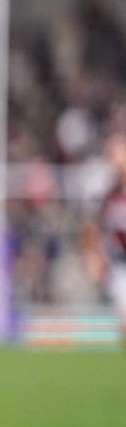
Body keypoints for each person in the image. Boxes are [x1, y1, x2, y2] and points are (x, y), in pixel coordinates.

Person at [81, 132, 126, 344]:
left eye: (117, 155)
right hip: (120, 264)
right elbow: (91, 225)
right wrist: (94, 255)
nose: (114, 161)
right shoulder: (106, 190)